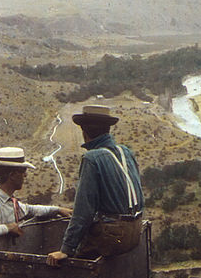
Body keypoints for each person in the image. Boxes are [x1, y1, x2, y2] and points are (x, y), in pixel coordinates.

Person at [46, 105, 144, 265]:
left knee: (74, 261)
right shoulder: (126, 151)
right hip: (135, 230)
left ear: (84, 131)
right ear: (107, 130)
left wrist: (66, 249)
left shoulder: (92, 158)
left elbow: (83, 210)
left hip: (114, 235)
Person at [0, 146, 72, 240]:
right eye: (23, 171)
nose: (25, 175)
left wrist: (58, 210)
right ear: (12, 175)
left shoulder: (9, 202)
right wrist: (8, 228)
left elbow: (31, 210)